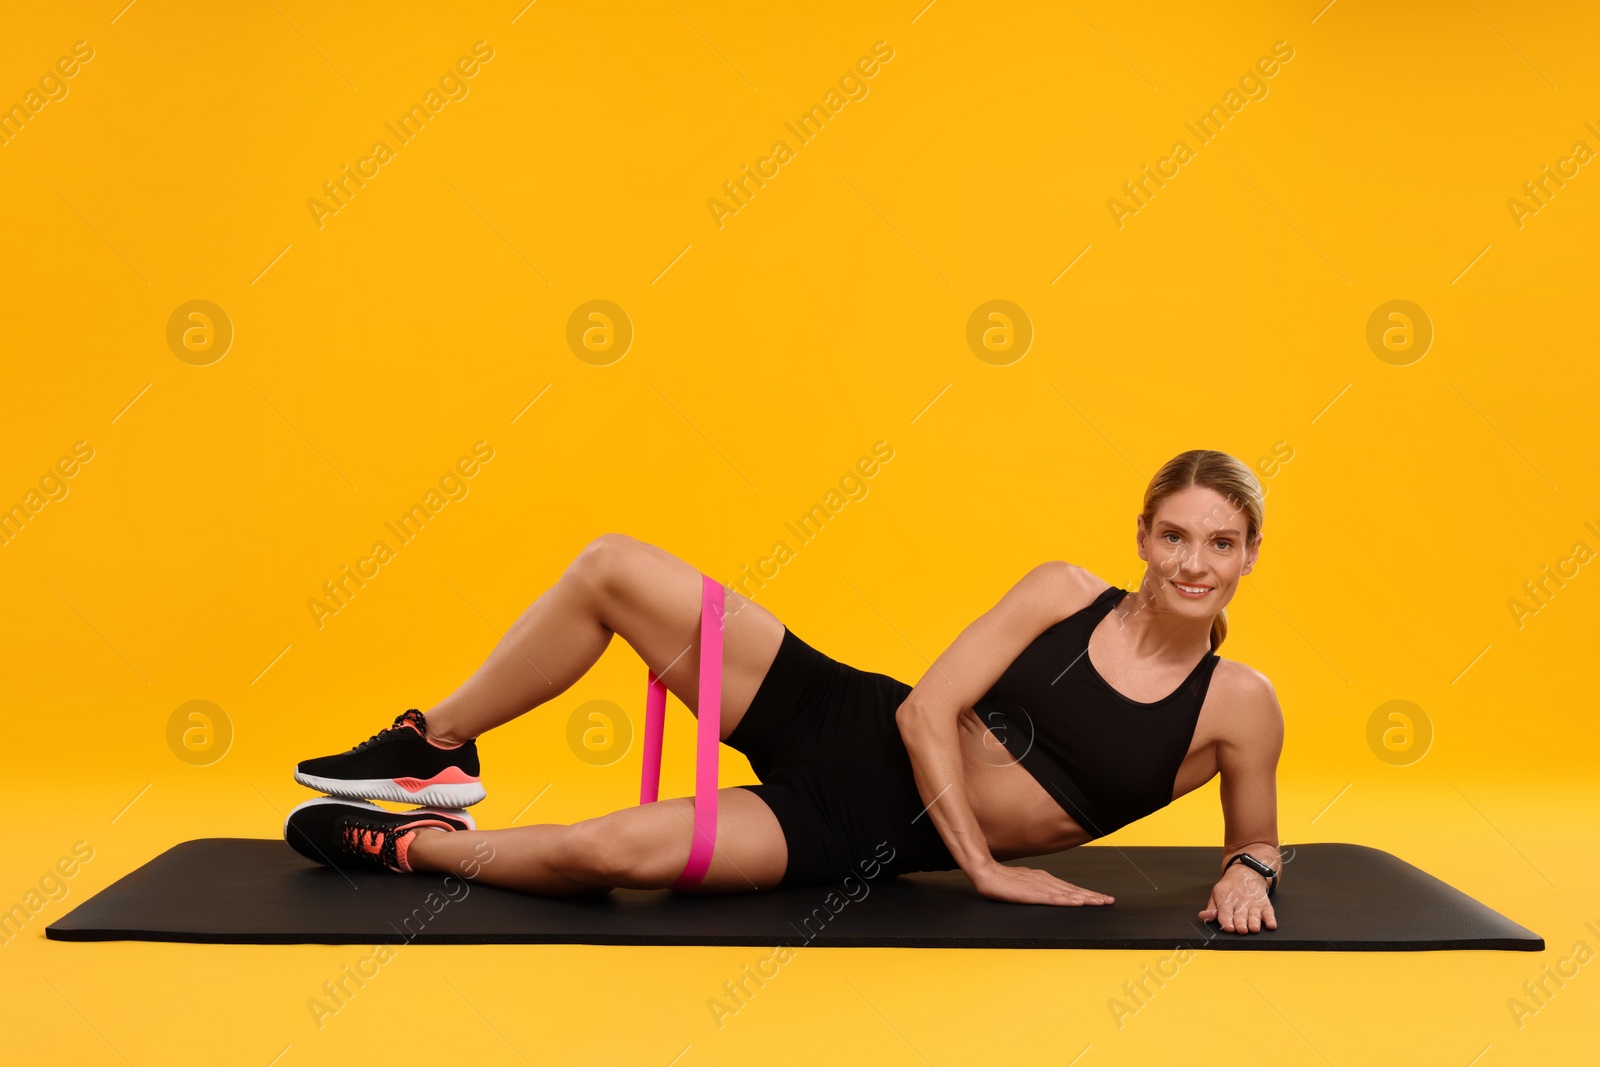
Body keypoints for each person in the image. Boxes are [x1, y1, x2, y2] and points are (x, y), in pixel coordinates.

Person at [283, 448, 1284, 935]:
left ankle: (409, 845)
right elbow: (923, 710)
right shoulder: (1063, 591)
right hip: (841, 712)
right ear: (1144, 536)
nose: (1193, 562)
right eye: (1174, 534)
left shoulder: (1237, 703)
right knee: (612, 565)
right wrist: (984, 870)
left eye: (1219, 542)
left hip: (857, 825)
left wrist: (1249, 873)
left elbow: (1255, 838)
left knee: (606, 853)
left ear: (1248, 556)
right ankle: (438, 742)